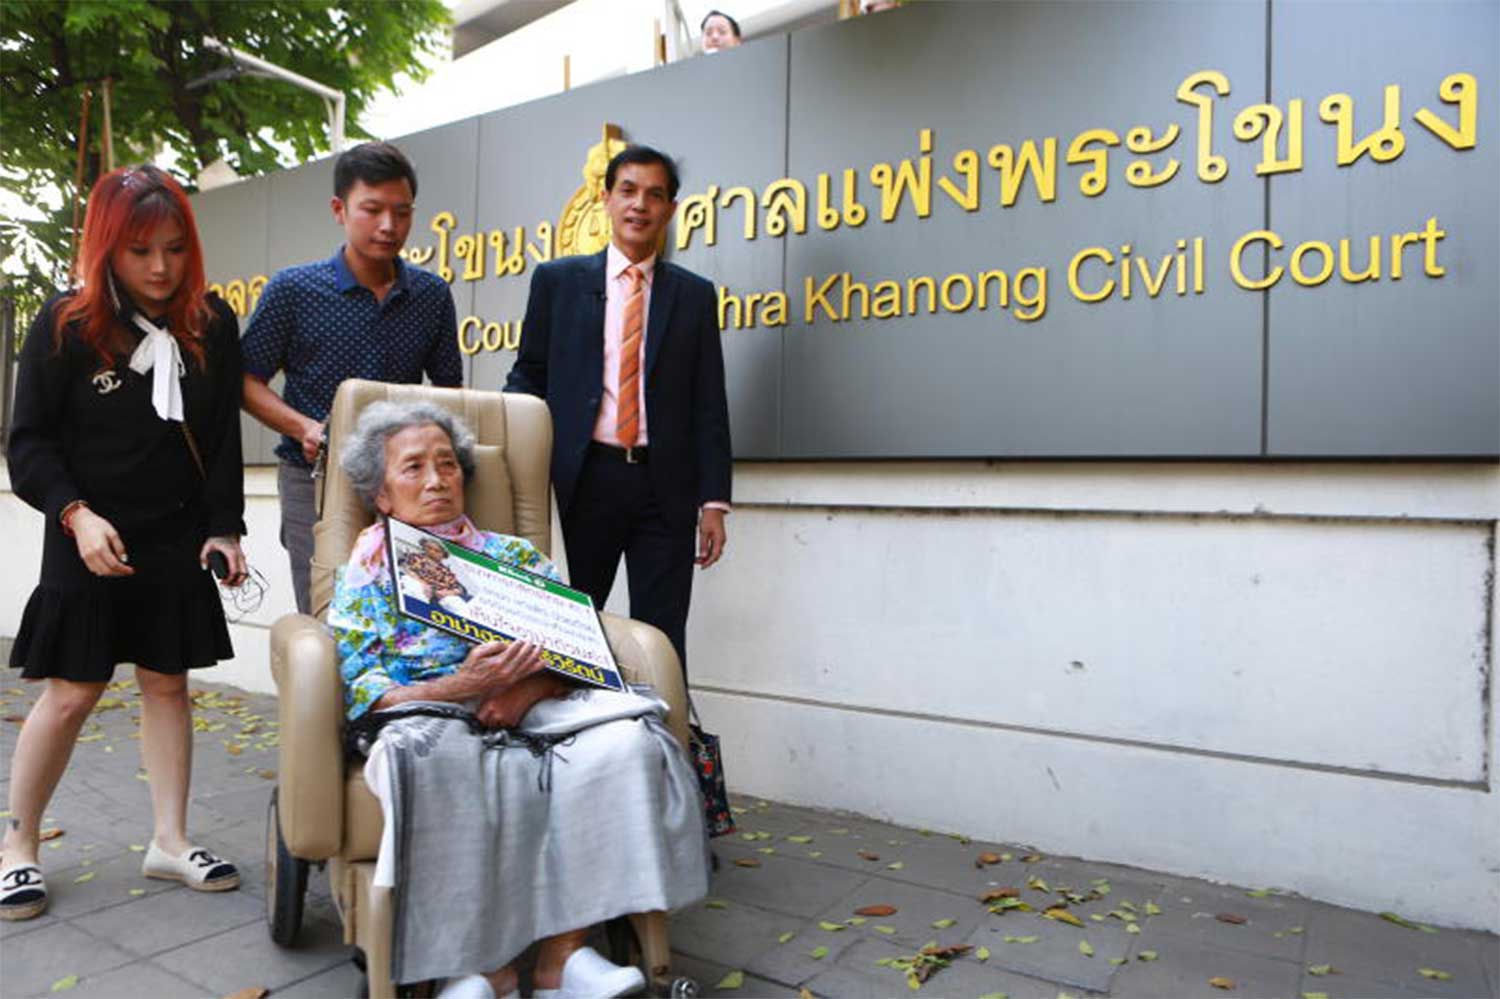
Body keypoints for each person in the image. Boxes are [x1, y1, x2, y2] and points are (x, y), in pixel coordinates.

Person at [329, 401, 707, 999]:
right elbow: (363, 682)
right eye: (413, 468)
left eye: (448, 464)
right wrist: (461, 686)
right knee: (433, 758)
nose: (436, 480)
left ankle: (565, 959)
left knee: (626, 742)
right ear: (381, 495)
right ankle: (482, 969)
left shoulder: (515, 559)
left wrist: (526, 689)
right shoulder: (368, 572)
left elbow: (580, 654)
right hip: (432, 709)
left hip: (535, 710)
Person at [1, 165, 248, 921]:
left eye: (174, 248)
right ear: (108, 246)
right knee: (73, 690)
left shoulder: (210, 321)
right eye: (141, 250)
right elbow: (28, 443)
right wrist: (75, 514)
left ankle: (170, 839)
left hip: (174, 529)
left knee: (167, 681)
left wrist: (225, 526)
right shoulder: (66, 324)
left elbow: (220, 435)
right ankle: (18, 848)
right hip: (88, 531)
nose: (162, 268)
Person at [504, 145, 732, 675]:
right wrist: (512, 462)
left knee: (663, 633)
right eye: (628, 191)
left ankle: (662, 741)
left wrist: (715, 501)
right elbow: (527, 378)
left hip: (664, 488)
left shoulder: (694, 297)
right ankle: (573, 741)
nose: (639, 205)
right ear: (605, 199)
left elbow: (708, 401)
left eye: (655, 195)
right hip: (584, 480)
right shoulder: (557, 283)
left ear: (671, 210)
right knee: (570, 625)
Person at [241, 141, 462, 615]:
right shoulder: (293, 290)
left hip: (405, 483)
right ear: (339, 209)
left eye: (401, 213)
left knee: (412, 612)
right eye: (373, 210)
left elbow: (450, 395)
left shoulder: (431, 295)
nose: (388, 226)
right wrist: (304, 428)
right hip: (314, 479)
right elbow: (245, 380)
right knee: (327, 614)